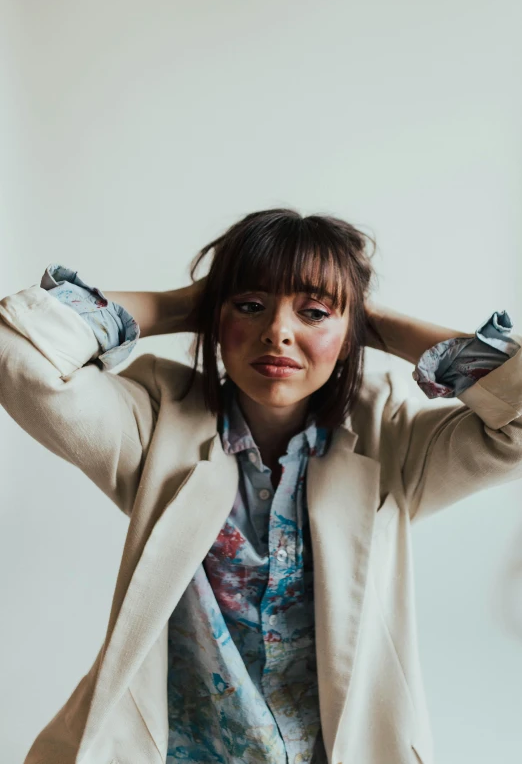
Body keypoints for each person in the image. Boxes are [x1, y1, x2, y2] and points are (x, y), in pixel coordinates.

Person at [1, 208, 521, 764]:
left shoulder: (389, 438)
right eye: (249, 305)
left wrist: (379, 324)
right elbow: (20, 359)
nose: (278, 331)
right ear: (216, 319)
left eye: (314, 312)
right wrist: (184, 305)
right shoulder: (158, 423)